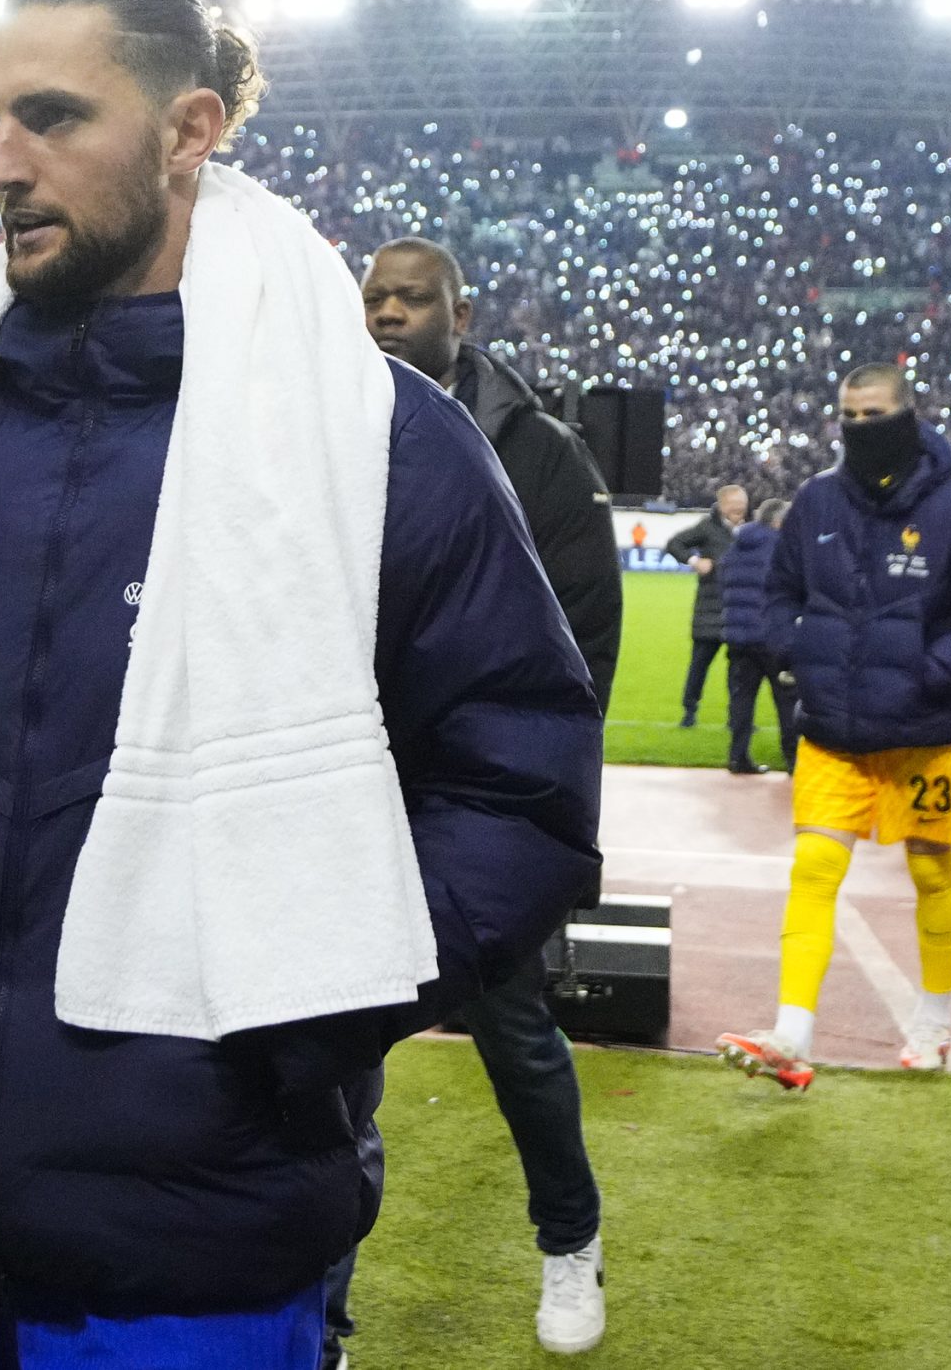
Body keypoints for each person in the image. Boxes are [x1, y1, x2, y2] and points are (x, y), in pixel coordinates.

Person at [0, 0, 602, 1370]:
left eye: (54, 117)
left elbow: (522, 790)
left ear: (190, 130)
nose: (4, 166)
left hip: (203, 1230)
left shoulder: (378, 439)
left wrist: (306, 1013)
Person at [355, 236, 619, 1355]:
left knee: (515, 1036)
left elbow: (579, 644)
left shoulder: (540, 453)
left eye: (411, 299)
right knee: (322, 1055)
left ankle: (571, 1242)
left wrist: (513, 796)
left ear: (461, 312)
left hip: (475, 804)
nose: (386, 314)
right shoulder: (322, 423)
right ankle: (319, 1308)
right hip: (346, 788)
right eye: (371, 297)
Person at [718, 366, 951, 1090]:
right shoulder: (817, 500)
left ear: (908, 415)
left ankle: (933, 1020)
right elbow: (777, 594)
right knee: (815, 870)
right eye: (849, 414)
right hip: (832, 729)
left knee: (929, 868)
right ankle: (792, 1033)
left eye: (875, 413)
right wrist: (797, 657)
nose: (861, 426)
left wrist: (932, 670)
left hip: (925, 732)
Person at [717, 499, 797, 776]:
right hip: (772, 636)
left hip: (738, 635)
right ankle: (793, 760)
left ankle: (738, 757)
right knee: (787, 699)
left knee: (741, 699)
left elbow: (722, 578)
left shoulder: (737, 546)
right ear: (778, 521)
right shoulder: (782, 547)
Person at [664, 484, 748, 728]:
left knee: (741, 672)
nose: (739, 510)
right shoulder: (707, 527)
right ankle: (689, 713)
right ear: (722, 506)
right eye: (734, 505)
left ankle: (738, 718)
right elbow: (674, 543)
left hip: (740, 612)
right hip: (709, 611)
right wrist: (694, 561)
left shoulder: (751, 529)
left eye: (742, 505)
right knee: (699, 666)